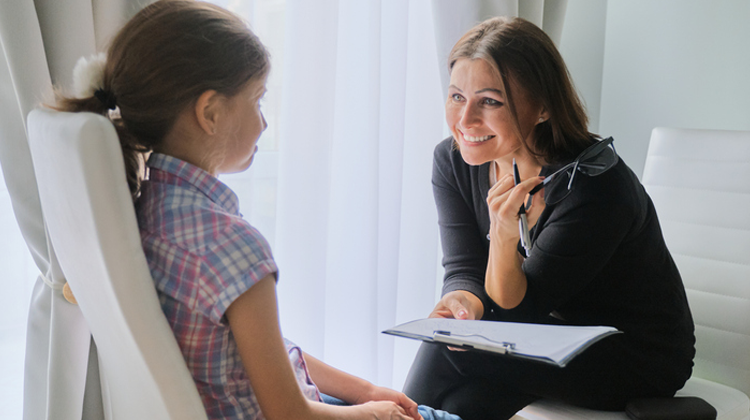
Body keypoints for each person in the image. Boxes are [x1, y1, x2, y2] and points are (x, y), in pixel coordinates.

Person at [51, 1, 461, 419]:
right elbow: (290, 414)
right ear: (210, 112)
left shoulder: (148, 212)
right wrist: (375, 413)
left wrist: (365, 390)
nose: (264, 122)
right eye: (257, 100)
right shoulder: (231, 245)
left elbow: (264, 354)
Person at [402, 16, 696, 420]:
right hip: (546, 336)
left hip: (632, 354)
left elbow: (518, 314)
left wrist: (504, 235)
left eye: (490, 101)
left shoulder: (596, 187)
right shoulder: (453, 160)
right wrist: (464, 300)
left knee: (446, 350)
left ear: (542, 107)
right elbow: (464, 268)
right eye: (456, 97)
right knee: (464, 406)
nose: (465, 120)